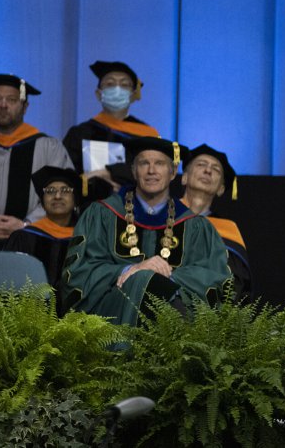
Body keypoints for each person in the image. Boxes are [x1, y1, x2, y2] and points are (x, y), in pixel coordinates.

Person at [62, 137, 231, 325]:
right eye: (144, 163)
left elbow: (214, 278)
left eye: (159, 163)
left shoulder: (196, 226)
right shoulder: (102, 215)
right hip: (110, 318)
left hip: (172, 314)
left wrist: (162, 276)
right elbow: (79, 272)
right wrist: (130, 270)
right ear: (134, 171)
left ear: (173, 172)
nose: (151, 170)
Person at [0, 74, 73, 248]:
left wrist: (26, 224)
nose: (3, 105)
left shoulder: (48, 146)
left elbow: (65, 193)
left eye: (12, 100)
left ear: (25, 106)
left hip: (32, 240)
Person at [62, 61, 159, 205]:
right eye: (110, 84)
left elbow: (155, 171)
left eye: (124, 85)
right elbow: (64, 176)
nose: (117, 89)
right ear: (98, 93)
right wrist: (88, 181)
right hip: (88, 211)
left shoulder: (147, 135)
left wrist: (108, 173)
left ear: (133, 94)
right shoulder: (80, 133)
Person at [180, 144, 251, 299]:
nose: (208, 170)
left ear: (220, 188)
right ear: (184, 177)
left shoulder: (227, 230)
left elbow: (236, 284)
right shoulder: (160, 216)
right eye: (201, 165)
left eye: (216, 169)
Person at [5, 166, 82, 309]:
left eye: (65, 191)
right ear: (42, 201)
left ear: (75, 200)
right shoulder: (24, 237)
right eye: (50, 191)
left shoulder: (84, 239)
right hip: (29, 314)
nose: (57, 196)